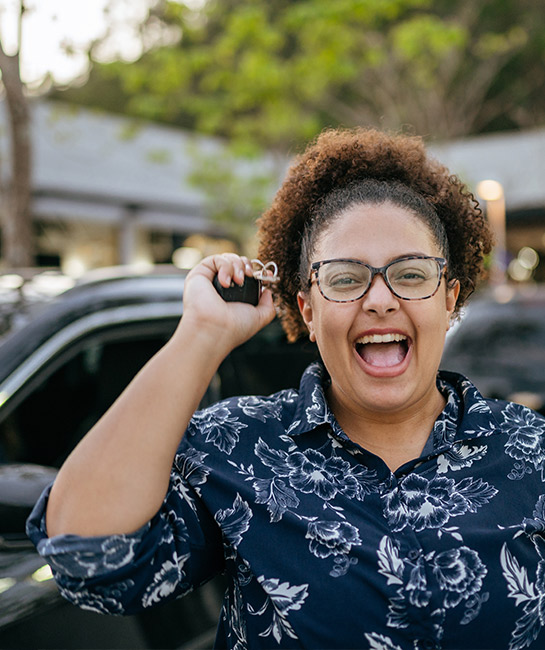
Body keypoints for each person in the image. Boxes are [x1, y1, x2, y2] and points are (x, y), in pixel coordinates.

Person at [27, 127, 545, 650]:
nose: (381, 299)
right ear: (308, 312)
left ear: (449, 300)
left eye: (410, 275)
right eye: (345, 279)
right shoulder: (239, 446)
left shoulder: (532, 451)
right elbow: (85, 556)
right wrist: (202, 336)